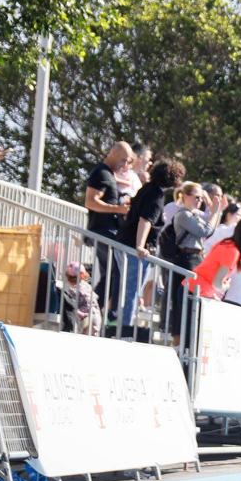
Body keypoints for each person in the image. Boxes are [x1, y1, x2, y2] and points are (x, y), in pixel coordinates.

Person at [119, 160, 174, 340]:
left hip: (125, 241)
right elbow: (145, 220)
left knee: (128, 289)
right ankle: (125, 330)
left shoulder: (147, 188)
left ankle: (123, 326)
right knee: (132, 291)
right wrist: (140, 245)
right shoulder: (156, 194)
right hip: (132, 247)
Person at [84, 141, 135, 324]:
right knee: (115, 273)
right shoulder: (101, 173)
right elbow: (90, 201)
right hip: (102, 231)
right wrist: (118, 209)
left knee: (113, 273)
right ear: (113, 153)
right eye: (123, 160)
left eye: (128, 162)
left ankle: (93, 309)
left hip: (108, 232)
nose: (125, 165)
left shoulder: (108, 174)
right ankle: (91, 307)